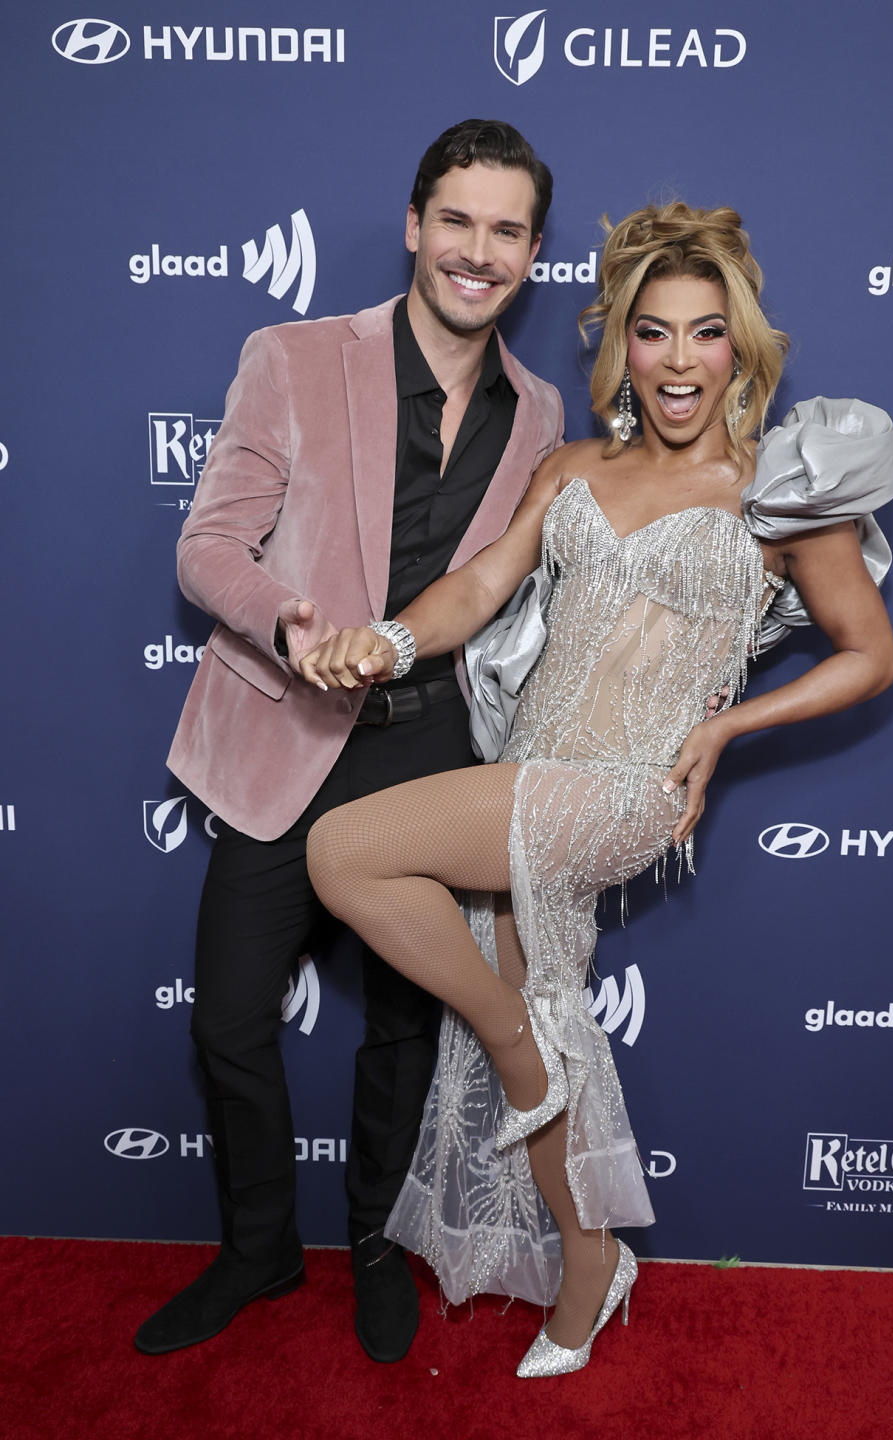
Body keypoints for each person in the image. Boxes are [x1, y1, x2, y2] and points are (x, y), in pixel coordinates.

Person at [298, 202, 893, 1377]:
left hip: (624, 790)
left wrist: (727, 725)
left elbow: (868, 654)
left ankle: (513, 1041)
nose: (679, 360)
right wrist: (382, 641)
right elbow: (475, 592)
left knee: (346, 856)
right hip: (524, 766)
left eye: (706, 334)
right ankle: (590, 1262)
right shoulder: (571, 464)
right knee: (552, 1012)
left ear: (742, 350)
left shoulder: (778, 493)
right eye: (654, 333)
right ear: (621, 345)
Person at [134, 120, 563, 1362]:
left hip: (430, 752)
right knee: (227, 1019)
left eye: (506, 231)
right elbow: (206, 545)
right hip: (288, 731)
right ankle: (259, 1252)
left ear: (531, 253)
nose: (476, 252)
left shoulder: (541, 420)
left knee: (405, 1027)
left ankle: (376, 1240)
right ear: (418, 223)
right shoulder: (295, 354)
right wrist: (291, 624)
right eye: (458, 222)